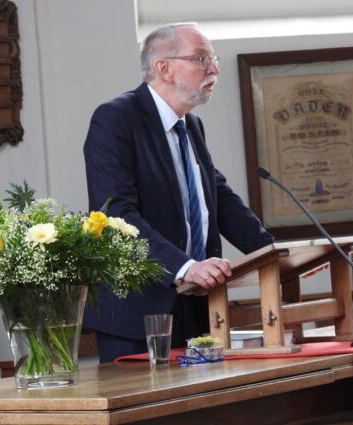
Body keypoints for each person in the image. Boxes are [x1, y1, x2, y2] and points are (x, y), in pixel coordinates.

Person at [83, 22, 274, 363]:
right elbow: (116, 217)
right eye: (201, 59)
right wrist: (184, 267)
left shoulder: (192, 125)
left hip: (197, 303)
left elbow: (219, 199)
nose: (214, 69)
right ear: (164, 68)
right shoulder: (115, 119)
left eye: (213, 59)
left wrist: (272, 252)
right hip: (139, 312)